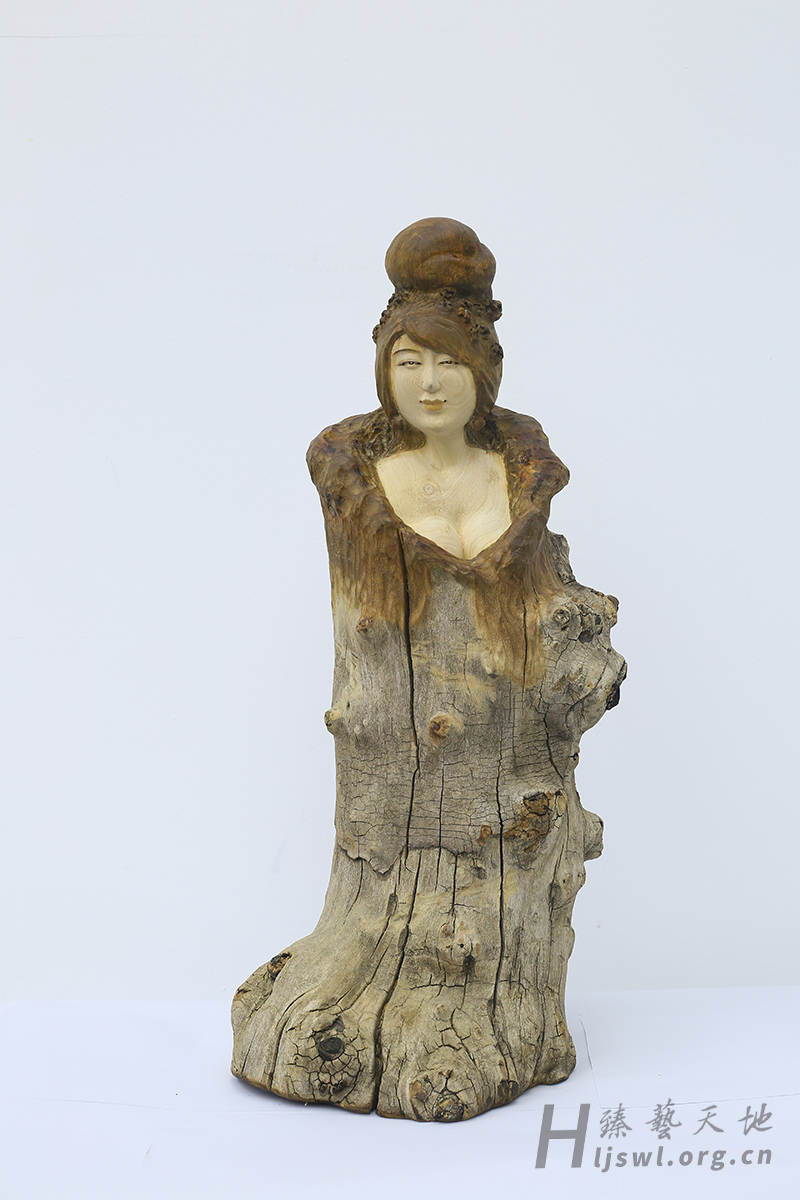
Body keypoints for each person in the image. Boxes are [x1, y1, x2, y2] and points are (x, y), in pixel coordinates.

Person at [232, 218, 625, 1122]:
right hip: (391, 804)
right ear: (384, 370)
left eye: (450, 361)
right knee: (345, 984)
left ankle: (507, 1013)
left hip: (514, 797)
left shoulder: (521, 471)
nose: (430, 382)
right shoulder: (354, 477)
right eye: (407, 361)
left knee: (504, 948)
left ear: (484, 370)